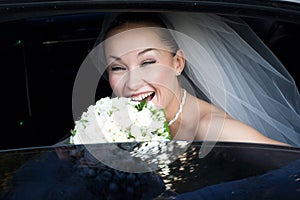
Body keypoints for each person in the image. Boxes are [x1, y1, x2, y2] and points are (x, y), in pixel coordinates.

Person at [73, 12, 300, 147]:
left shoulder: (211, 128)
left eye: (148, 62)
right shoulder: (115, 118)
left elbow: (292, 171)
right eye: (118, 67)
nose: (132, 84)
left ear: (178, 63)